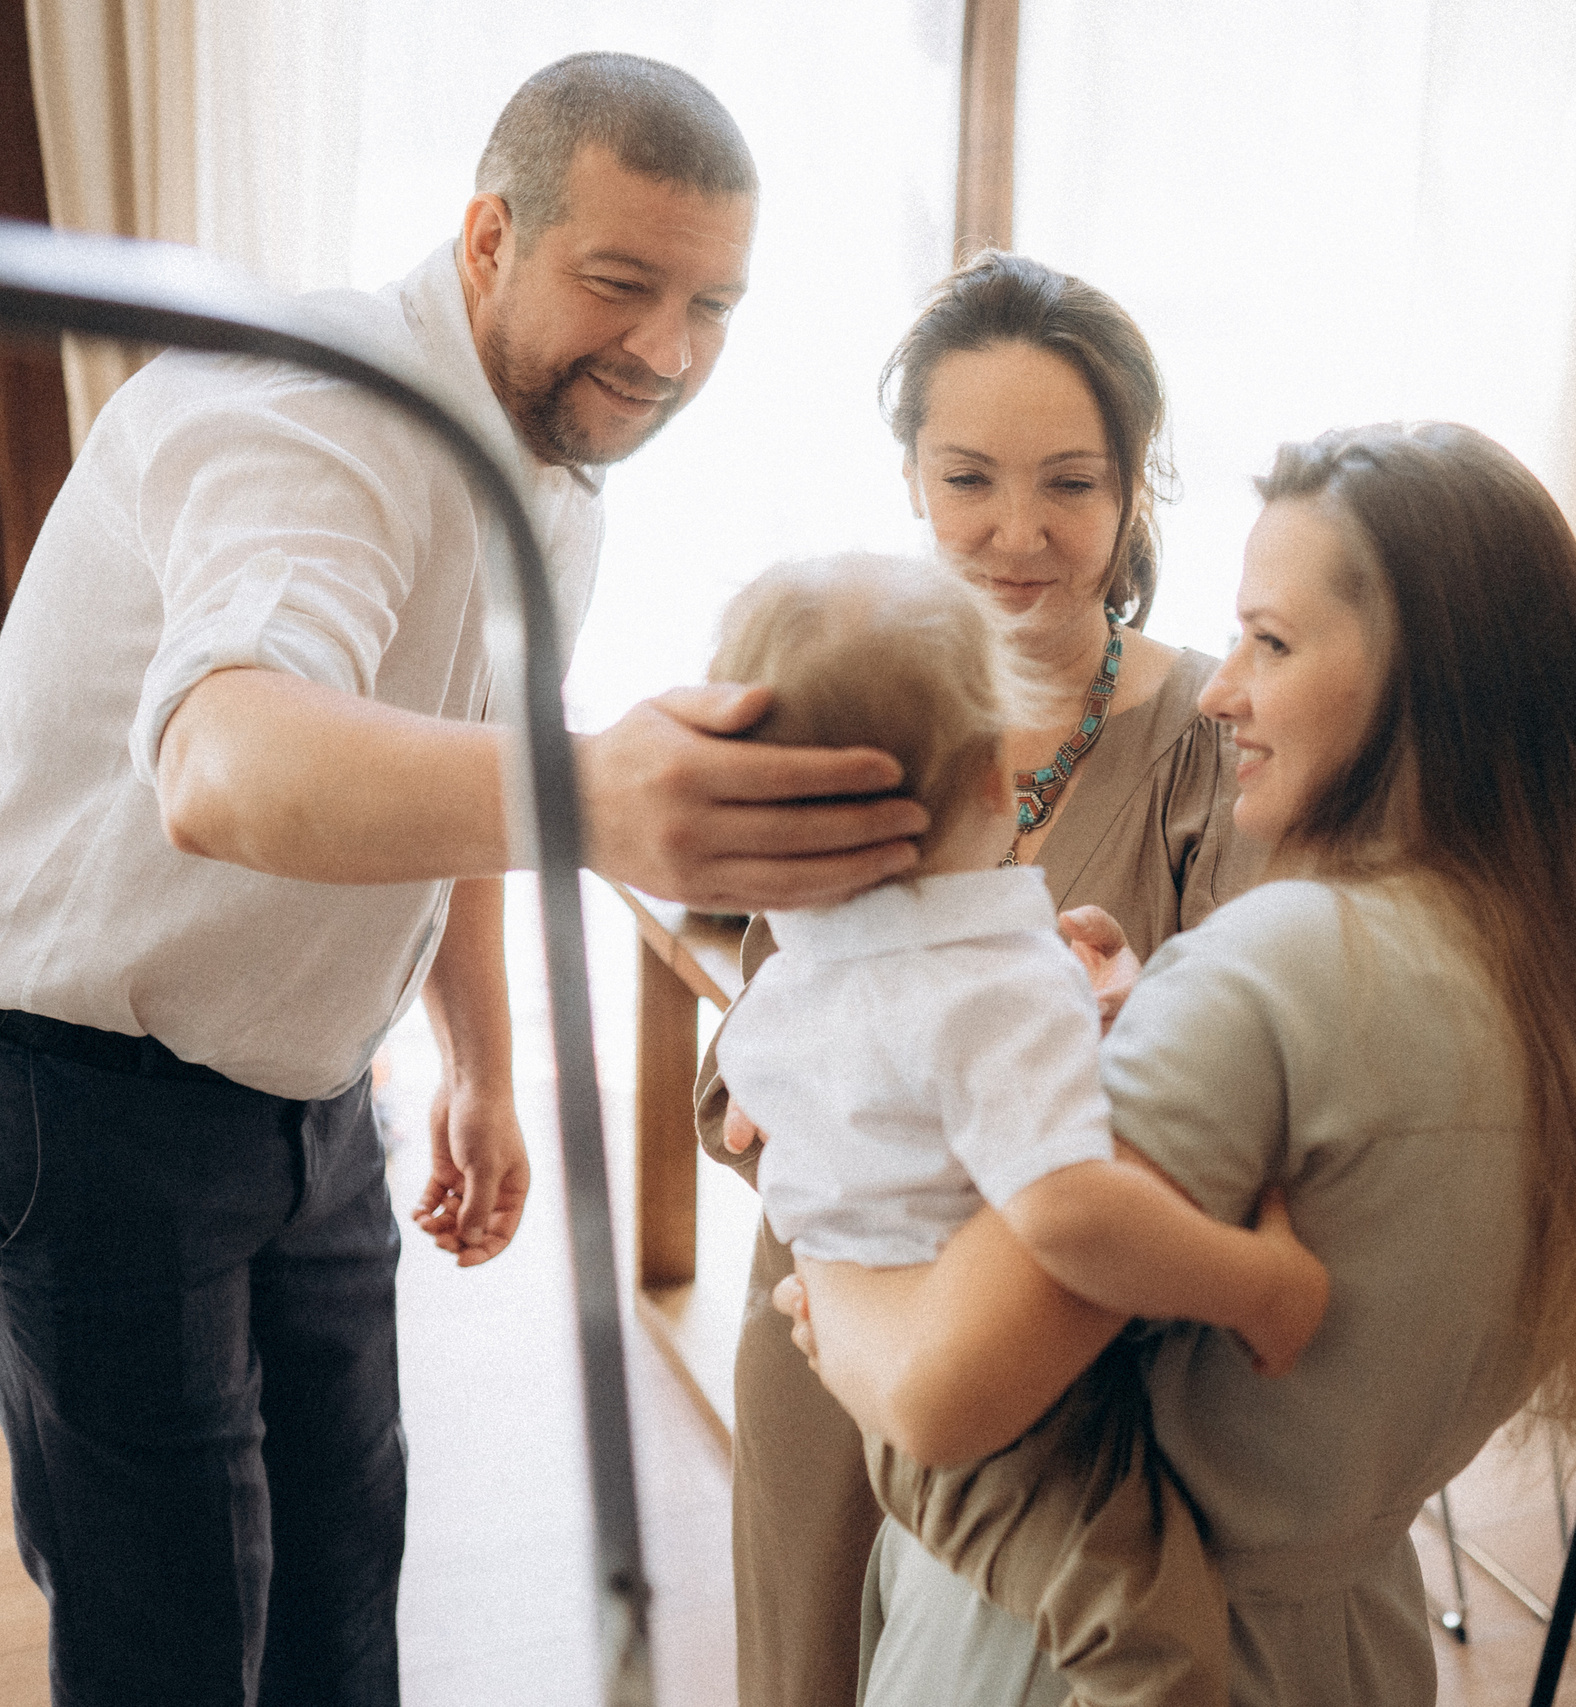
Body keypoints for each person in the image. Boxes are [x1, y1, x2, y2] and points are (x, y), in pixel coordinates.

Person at [0, 53, 925, 1706]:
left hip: (313, 1101)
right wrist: (593, 797)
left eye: (715, 304)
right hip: (86, 1109)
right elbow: (228, 764)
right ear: (491, 233)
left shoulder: (552, 478)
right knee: (170, 1635)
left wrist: (483, 1067)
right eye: (623, 284)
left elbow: (458, 774)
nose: (668, 352)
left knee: (346, 1600)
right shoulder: (310, 411)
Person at [770, 420, 1576, 1706]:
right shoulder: (1560, 987)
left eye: (1270, 643)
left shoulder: (1283, 966)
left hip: (1083, 1658)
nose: (1220, 692)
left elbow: (944, 1398)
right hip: (1350, 1644)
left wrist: (828, 1280)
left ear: (1421, 684)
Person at [693, 250, 1257, 1707]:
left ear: (1137, 488)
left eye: (1071, 482)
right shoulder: (848, 691)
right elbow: (741, 1061)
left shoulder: (1211, 732)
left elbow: (1249, 1070)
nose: (1019, 532)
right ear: (910, 481)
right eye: (970, 480)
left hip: (1062, 1380)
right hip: (827, 1320)